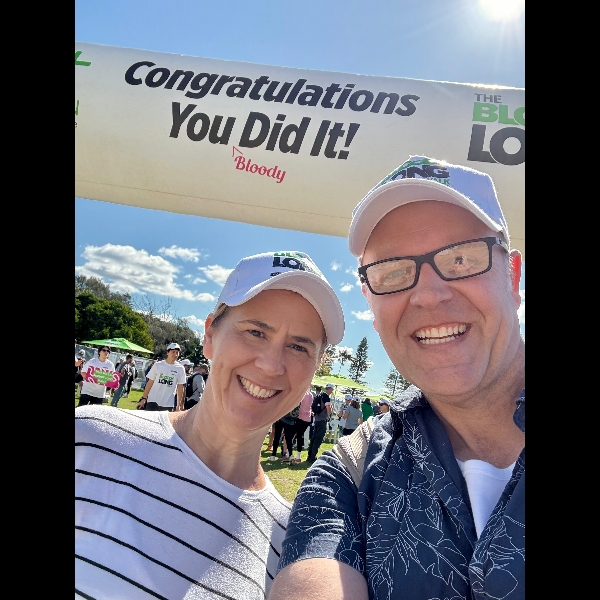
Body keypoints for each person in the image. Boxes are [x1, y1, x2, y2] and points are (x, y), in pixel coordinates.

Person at [270, 156, 525, 599]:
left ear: (513, 277)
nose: (428, 295)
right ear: (371, 305)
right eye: (393, 272)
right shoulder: (350, 474)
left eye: (461, 258)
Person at [75, 249, 344, 599]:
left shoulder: (290, 547)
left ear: (316, 367)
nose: (271, 365)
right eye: (255, 332)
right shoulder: (90, 440)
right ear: (210, 335)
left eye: (298, 347)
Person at [136, 343, 186, 412]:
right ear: (167, 353)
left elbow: (180, 387)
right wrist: (144, 398)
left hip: (168, 404)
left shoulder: (180, 368)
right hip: (153, 401)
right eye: (173, 352)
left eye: (177, 352)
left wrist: (179, 405)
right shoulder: (158, 365)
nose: (175, 354)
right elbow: (150, 382)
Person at [306, 383, 333, 462]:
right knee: (318, 439)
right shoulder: (326, 397)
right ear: (330, 389)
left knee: (314, 438)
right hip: (323, 419)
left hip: (317, 419)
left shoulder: (320, 395)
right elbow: (328, 409)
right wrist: (330, 413)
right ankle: (313, 456)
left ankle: (309, 455)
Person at [290, 388, 314, 463]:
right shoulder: (311, 395)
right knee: (300, 436)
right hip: (307, 418)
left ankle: (289, 454)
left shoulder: (302, 393)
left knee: (292, 435)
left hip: (300, 417)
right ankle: (298, 456)